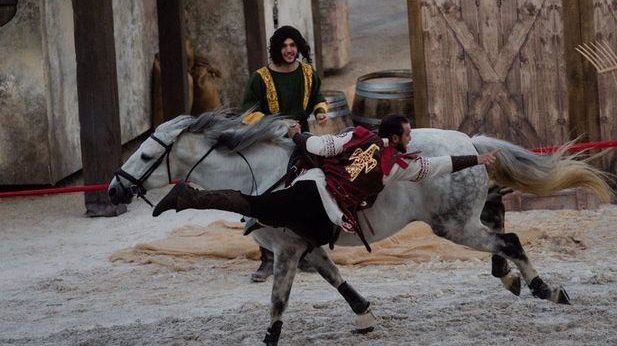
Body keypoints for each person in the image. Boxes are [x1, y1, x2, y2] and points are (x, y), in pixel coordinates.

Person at [152, 115, 500, 254]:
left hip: (310, 184)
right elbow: (436, 166)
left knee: (255, 205)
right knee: (255, 207)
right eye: (408, 133)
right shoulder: (398, 166)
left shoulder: (360, 135)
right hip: (325, 208)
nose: (411, 136)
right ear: (396, 137)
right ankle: (189, 197)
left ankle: (196, 199)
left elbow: (320, 147)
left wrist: (298, 135)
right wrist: (474, 159)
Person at [241, 25, 328, 282]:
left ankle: (305, 252)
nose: (290, 51)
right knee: (266, 198)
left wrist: (320, 111)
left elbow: (317, 97)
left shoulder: (308, 73)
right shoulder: (260, 78)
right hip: (269, 143)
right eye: (284, 46)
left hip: (302, 141)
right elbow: (247, 112)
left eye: (293, 46)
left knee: (309, 191)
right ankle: (267, 258)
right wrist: (280, 124)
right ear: (277, 49)